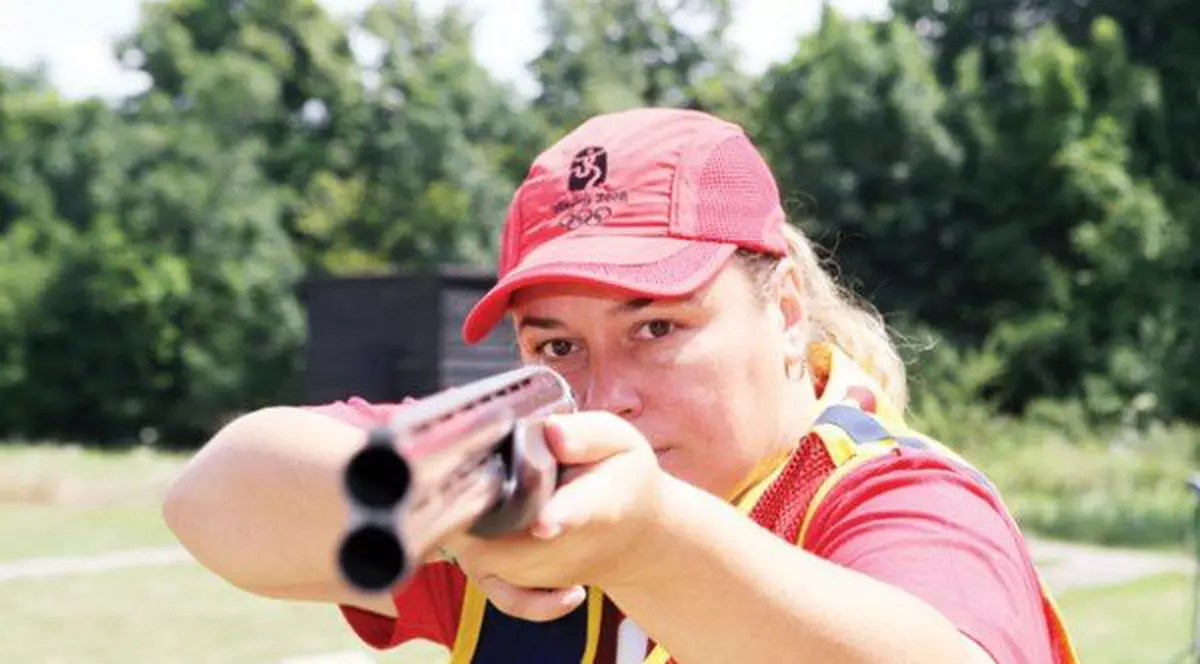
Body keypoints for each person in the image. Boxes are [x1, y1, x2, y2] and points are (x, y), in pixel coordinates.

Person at [162, 107, 1080, 664]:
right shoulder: (527, 487)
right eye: (557, 345)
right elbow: (212, 504)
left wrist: (646, 543)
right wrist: (449, 522)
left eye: (656, 328)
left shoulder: (895, 495)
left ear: (786, 312)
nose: (605, 397)